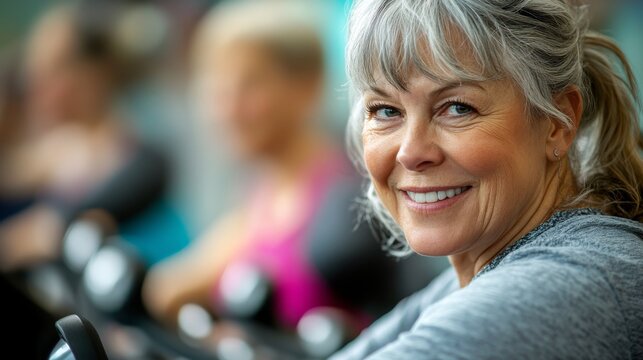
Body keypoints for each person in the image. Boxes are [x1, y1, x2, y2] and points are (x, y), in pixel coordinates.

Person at [330, 0, 643, 359]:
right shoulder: (467, 276)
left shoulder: (573, 282)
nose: (410, 152)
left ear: (559, 123)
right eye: (386, 110)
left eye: (457, 107)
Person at [142, 0, 373, 331]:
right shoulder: (260, 195)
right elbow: (171, 287)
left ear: (308, 85)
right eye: (218, 89)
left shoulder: (344, 196)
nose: (228, 108)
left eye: (249, 85)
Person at [0, 4, 168, 270]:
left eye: (52, 70)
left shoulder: (135, 158)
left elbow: (46, 232)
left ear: (95, 74)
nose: (35, 84)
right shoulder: (60, 148)